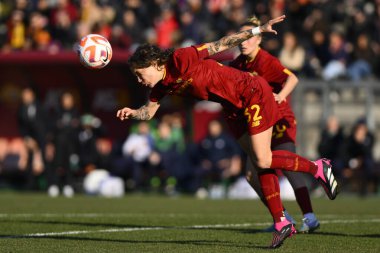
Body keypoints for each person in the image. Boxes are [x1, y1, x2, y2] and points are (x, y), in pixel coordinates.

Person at [116, 15, 338, 248]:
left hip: (250, 93)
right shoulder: (160, 86)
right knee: (256, 165)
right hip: (232, 109)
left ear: (155, 64)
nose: (139, 80)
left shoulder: (180, 58)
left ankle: (317, 168)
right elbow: (148, 112)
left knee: (263, 158)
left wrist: (257, 30)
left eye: (140, 74)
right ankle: (281, 222)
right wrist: (133, 112)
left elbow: (221, 44)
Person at [229, 16, 319, 234]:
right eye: (241, 37)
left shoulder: (265, 61)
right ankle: (283, 216)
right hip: (259, 124)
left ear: (259, 40)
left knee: (287, 167)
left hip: (279, 121)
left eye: (249, 37)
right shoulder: (237, 65)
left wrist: (280, 96)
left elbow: (293, 79)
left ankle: (310, 217)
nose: (244, 41)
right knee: (252, 175)